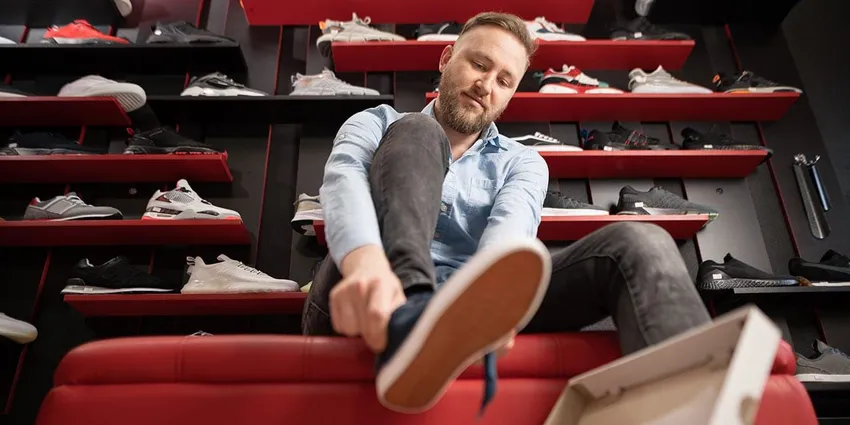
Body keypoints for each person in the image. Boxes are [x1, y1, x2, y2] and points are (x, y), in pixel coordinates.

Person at [302, 11, 711, 414]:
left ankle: (697, 406)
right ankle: (413, 319)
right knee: (417, 128)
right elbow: (344, 185)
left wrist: (490, 305)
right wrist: (368, 269)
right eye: (479, 64)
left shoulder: (524, 162)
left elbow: (509, 238)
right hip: (367, 285)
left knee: (641, 240)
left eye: (504, 81)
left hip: (467, 307)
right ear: (446, 59)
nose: (485, 86)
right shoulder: (377, 122)